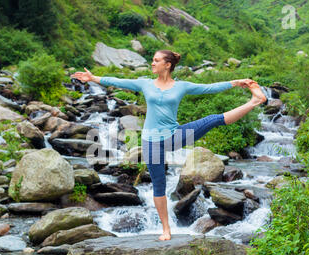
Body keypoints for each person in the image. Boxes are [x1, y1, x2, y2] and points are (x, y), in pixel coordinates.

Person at [71, 50, 267, 241]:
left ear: (168, 64)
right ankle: (166, 229)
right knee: (159, 185)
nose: (152, 63)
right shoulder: (145, 84)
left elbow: (209, 88)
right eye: (152, 60)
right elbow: (117, 81)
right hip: (151, 142)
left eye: (156, 60)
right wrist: (94, 78)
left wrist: (236, 82)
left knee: (213, 119)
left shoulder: (181, 86)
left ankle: (254, 101)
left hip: (175, 136)